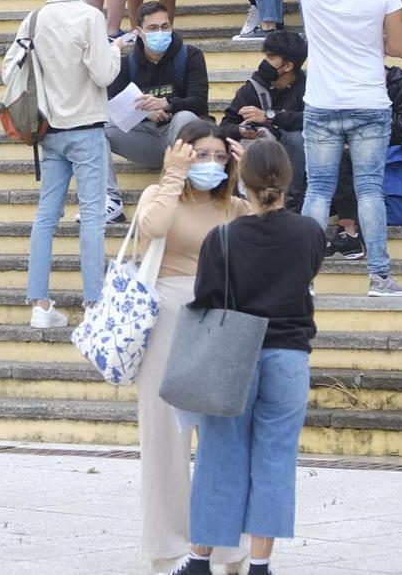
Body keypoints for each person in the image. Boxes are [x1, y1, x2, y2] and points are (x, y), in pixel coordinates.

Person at [167, 136, 328, 575]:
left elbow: (207, 297)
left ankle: (200, 559)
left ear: (243, 180)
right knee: (276, 459)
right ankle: (260, 563)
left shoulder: (222, 238)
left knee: (221, 454)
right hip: (290, 354)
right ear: (289, 178)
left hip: (234, 355)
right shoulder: (311, 231)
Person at [132, 120, 251, 573]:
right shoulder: (157, 194)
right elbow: (153, 226)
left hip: (219, 318)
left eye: (219, 157)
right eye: (201, 154)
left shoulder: (235, 206)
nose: (211, 164)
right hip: (164, 314)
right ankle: (166, 545)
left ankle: (226, 545)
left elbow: (269, 229)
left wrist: (248, 173)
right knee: (163, 435)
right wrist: (173, 175)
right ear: (181, 152)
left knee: (222, 435)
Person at [283, 0, 402, 299]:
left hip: (322, 103)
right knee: (370, 189)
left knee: (318, 191)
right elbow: (400, 48)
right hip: (369, 101)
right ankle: (380, 278)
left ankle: (303, 281)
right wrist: (370, 42)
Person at [13, 0, 130, 328]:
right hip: (87, 127)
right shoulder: (90, 17)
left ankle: (40, 304)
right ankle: (94, 302)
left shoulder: (34, 19)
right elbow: (104, 74)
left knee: (46, 216)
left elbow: (9, 70)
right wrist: (115, 50)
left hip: (49, 129)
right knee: (93, 216)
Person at [102, 4, 211, 222]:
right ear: (139, 32)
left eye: (165, 26)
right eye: (152, 28)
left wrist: (166, 103)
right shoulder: (126, 64)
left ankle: (190, 190)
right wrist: (146, 113)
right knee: (98, 129)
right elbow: (112, 105)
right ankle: (111, 201)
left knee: (186, 118)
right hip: (148, 138)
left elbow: (200, 102)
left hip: (181, 135)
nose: (160, 33)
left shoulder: (190, 56)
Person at [220, 30, 308, 205]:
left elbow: (311, 119)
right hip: (259, 155)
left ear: (288, 66)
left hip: (296, 156)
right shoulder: (252, 88)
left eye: (270, 58)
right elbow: (225, 126)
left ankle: (291, 202)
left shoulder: (308, 87)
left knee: (296, 137)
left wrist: (269, 117)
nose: (264, 62)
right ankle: (243, 201)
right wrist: (241, 130)